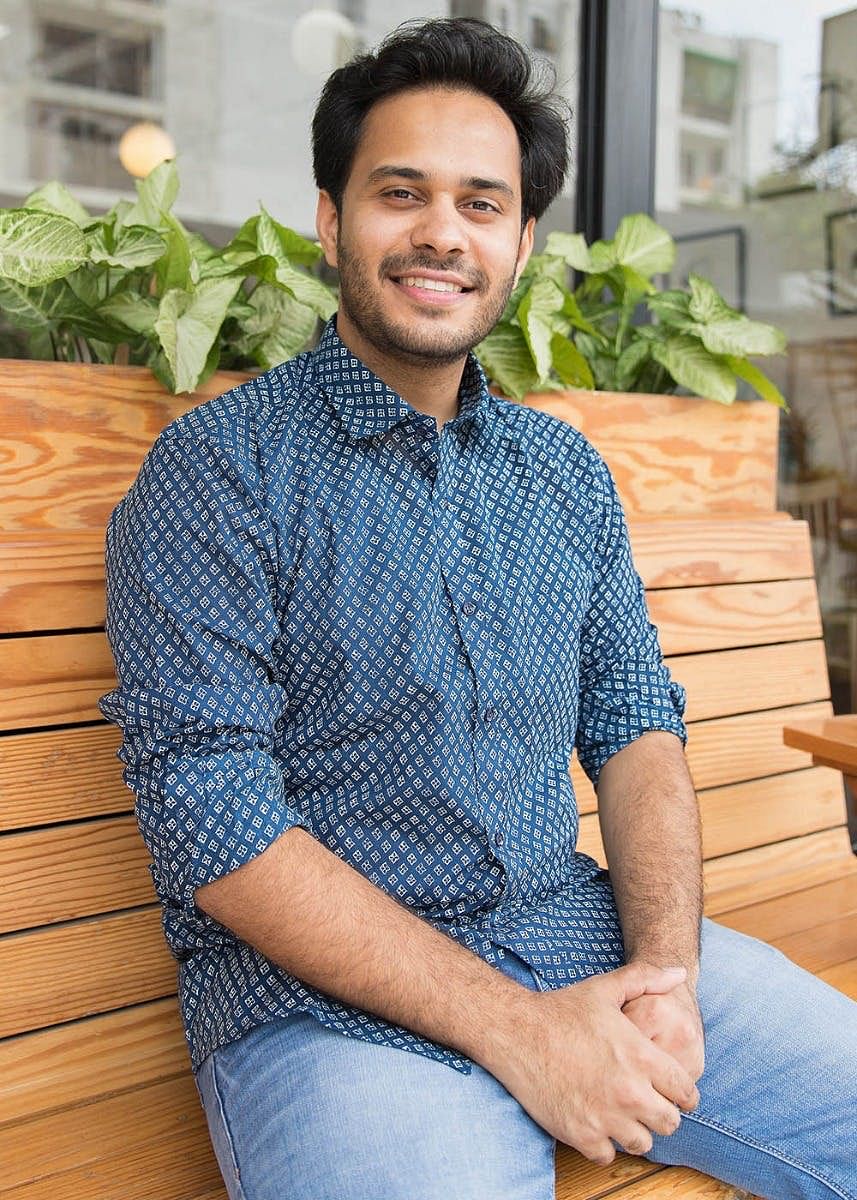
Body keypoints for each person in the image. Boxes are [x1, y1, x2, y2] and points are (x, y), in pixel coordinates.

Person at [99, 18, 857, 1200]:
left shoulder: (562, 478)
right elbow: (214, 820)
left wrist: (665, 970)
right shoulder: (218, 474)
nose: (441, 232)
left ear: (520, 238)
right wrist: (521, 1031)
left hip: (582, 935)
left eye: (480, 202)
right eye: (400, 192)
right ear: (330, 216)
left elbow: (634, 725)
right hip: (331, 1018)